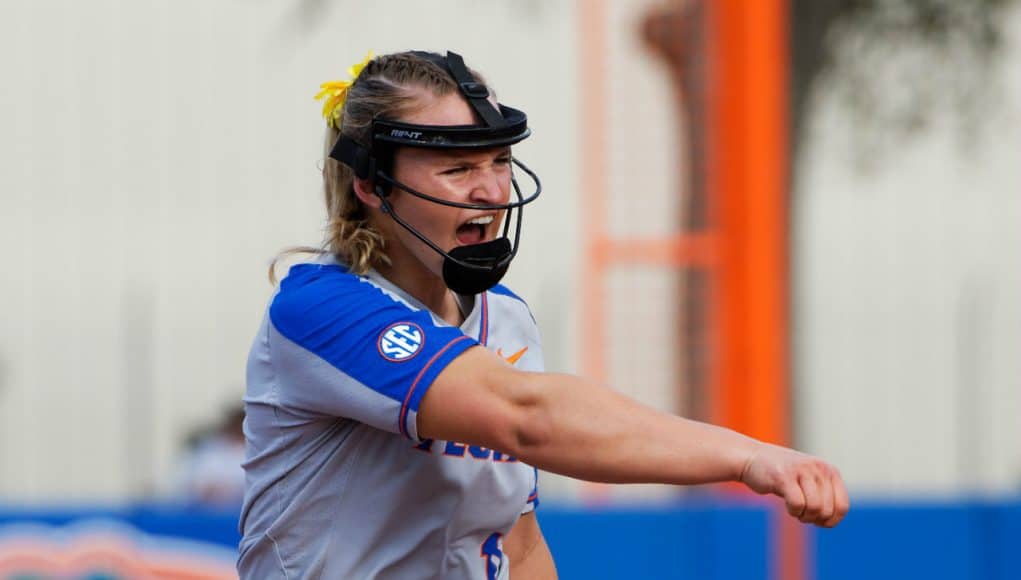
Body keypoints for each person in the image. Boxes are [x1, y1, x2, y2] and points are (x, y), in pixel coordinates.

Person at [238, 50, 849, 580]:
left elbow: (517, 545)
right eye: (457, 168)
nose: (491, 190)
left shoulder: (503, 319)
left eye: (498, 160)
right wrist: (747, 458)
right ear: (371, 187)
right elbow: (527, 418)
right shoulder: (320, 308)